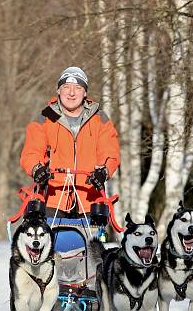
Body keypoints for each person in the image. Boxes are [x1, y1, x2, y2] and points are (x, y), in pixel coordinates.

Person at [20, 67, 120, 218]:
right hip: (52, 198)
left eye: (78, 88)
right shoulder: (46, 117)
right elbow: (31, 152)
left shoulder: (100, 119)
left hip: (90, 198)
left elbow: (110, 153)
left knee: (91, 241)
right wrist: (37, 169)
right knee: (50, 240)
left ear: (85, 92)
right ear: (58, 90)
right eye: (66, 87)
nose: (71, 93)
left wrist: (104, 171)